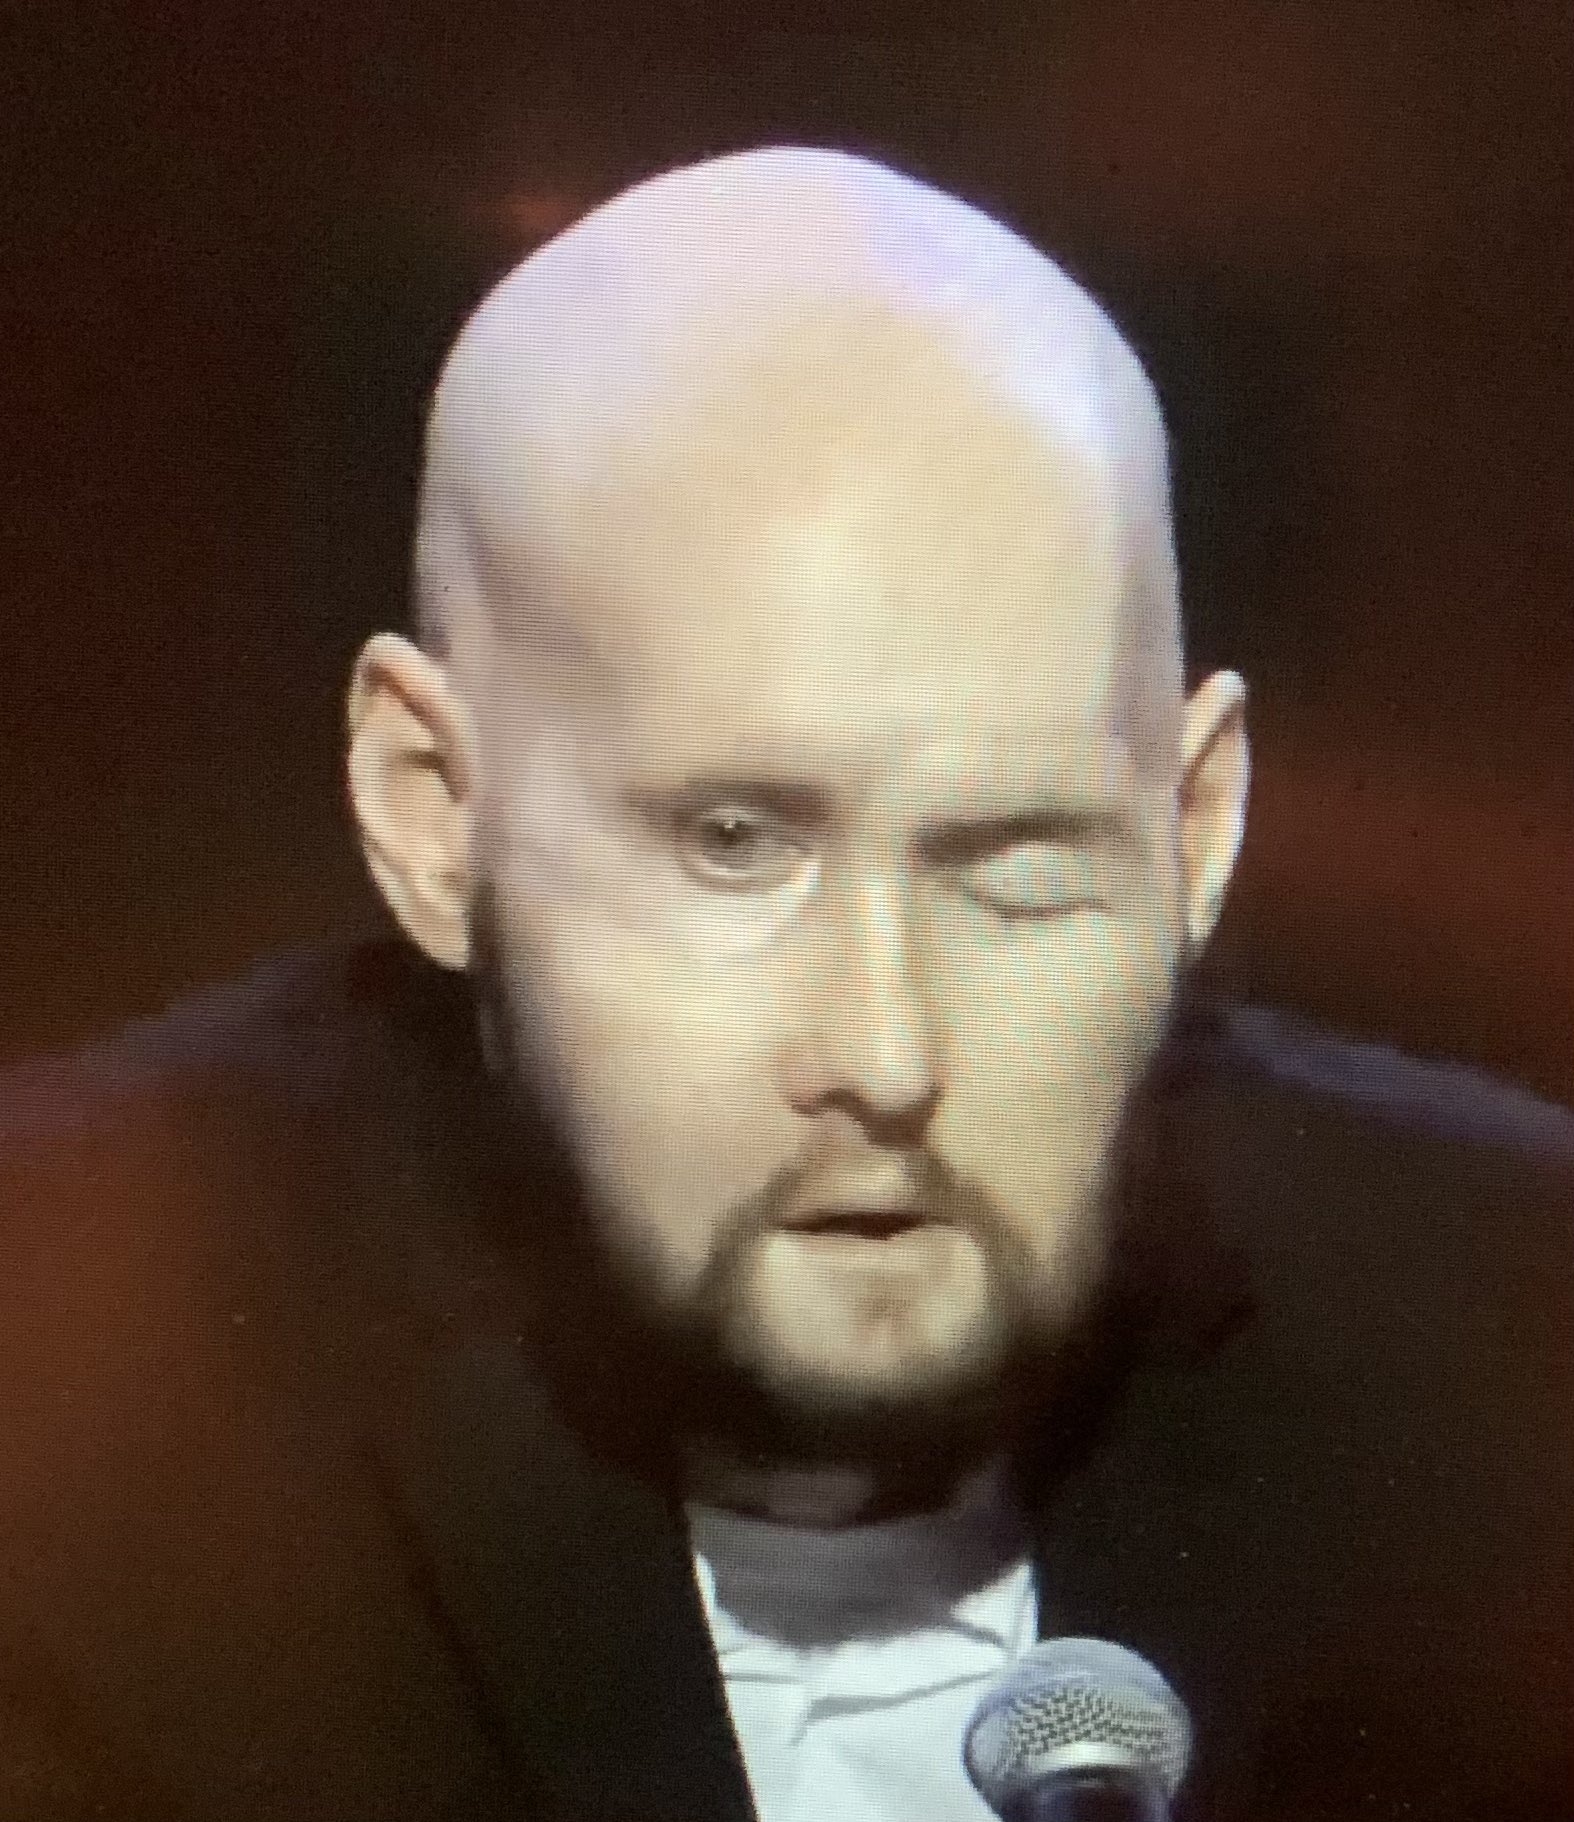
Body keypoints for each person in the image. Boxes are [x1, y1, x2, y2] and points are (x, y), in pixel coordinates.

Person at [0, 146, 1569, 1822]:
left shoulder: (1524, 1345)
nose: (883, 1052)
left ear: (1192, 828)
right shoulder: (64, 1415)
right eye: (734, 843)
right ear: (431, 815)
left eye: (1014, 862)